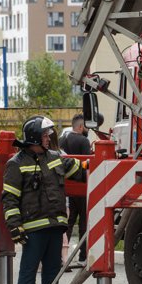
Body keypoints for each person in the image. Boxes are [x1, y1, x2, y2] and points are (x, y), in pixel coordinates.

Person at [2, 115, 85, 284]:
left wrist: (97, 164)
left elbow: (80, 169)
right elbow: (10, 198)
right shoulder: (16, 164)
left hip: (56, 226)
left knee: (52, 273)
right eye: (45, 134)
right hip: (33, 228)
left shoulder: (55, 157)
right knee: (28, 272)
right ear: (34, 137)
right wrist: (15, 227)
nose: (49, 137)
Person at [58, 114, 92, 266]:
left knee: (68, 222)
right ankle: (83, 256)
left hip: (66, 187)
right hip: (82, 187)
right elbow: (88, 164)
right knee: (84, 222)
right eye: (85, 126)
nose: (87, 129)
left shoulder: (61, 141)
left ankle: (61, 255)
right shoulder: (83, 141)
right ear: (80, 127)